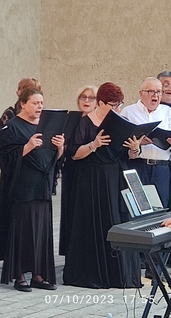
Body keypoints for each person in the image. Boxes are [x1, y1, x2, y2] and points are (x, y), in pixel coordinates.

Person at [62, 82, 143, 289]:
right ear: (100, 103)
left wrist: (135, 150)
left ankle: (119, 274)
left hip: (115, 176)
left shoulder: (121, 122)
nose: (116, 109)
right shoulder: (85, 122)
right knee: (93, 223)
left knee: (117, 220)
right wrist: (94, 145)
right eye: (112, 104)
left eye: (119, 104)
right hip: (91, 178)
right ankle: (92, 273)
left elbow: (127, 154)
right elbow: (74, 153)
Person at [0, 88, 64, 292]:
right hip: (23, 188)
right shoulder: (12, 127)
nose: (40, 106)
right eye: (35, 103)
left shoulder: (46, 125)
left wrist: (60, 149)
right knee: (23, 231)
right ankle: (20, 274)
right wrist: (27, 146)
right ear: (23, 104)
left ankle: (38, 274)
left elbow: (51, 159)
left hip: (42, 186)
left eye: (42, 103)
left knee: (41, 231)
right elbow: (5, 160)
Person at [59, 85, 97, 256]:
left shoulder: (99, 120)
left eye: (91, 98)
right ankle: (71, 252)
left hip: (90, 171)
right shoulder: (71, 118)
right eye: (83, 97)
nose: (87, 101)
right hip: (72, 170)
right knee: (71, 210)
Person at [121, 77, 171, 208]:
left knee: (161, 208)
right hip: (138, 166)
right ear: (141, 93)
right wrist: (136, 143)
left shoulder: (168, 112)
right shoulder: (128, 111)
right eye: (151, 92)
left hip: (162, 168)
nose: (156, 95)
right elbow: (120, 142)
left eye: (159, 92)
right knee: (138, 208)